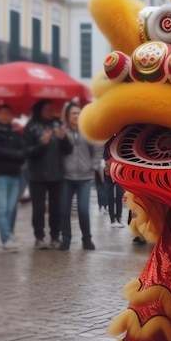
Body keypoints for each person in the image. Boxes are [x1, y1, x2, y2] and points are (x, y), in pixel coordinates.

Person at [24, 99, 72, 249]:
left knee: (55, 208)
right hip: (36, 175)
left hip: (56, 174)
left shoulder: (57, 125)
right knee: (38, 208)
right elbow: (27, 151)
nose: (50, 111)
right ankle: (39, 237)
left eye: (51, 108)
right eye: (47, 109)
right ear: (39, 110)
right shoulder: (31, 127)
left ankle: (55, 236)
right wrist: (41, 145)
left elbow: (68, 150)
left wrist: (63, 139)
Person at [0, 105, 27, 252]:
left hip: (14, 175)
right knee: (0, 208)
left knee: (10, 208)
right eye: (2, 113)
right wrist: (15, 155)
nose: (5, 116)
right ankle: (6, 239)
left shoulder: (15, 132)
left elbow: (23, 151)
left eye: (8, 113)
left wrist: (16, 155)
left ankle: (7, 236)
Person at [59, 102, 101, 250]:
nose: (76, 116)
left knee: (83, 210)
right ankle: (65, 239)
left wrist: (93, 167)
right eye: (73, 113)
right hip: (66, 177)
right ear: (67, 116)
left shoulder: (87, 130)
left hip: (85, 178)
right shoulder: (62, 131)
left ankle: (87, 239)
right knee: (64, 210)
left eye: (78, 113)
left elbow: (98, 149)